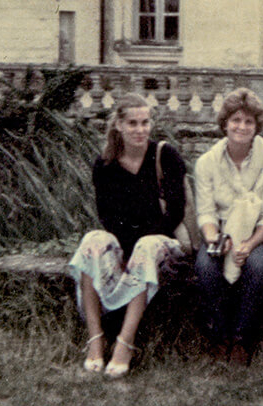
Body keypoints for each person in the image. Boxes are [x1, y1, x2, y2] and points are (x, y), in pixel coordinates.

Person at [67, 93, 187, 379]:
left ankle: (125, 343)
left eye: (145, 122)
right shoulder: (105, 165)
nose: (140, 130)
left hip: (165, 244)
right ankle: (96, 339)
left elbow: (176, 213)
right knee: (92, 241)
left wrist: (137, 242)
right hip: (127, 242)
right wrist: (125, 247)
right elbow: (108, 218)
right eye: (132, 123)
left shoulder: (165, 156)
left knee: (145, 246)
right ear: (118, 125)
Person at [193, 87, 263, 365]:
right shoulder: (207, 162)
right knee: (205, 266)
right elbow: (206, 213)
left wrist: (247, 244)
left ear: (257, 126)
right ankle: (220, 336)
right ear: (225, 123)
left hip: (259, 234)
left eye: (248, 121)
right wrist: (218, 241)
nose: (241, 127)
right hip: (220, 233)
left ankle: (242, 339)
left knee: (257, 265)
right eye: (235, 120)